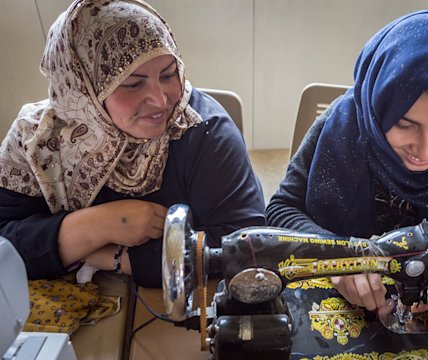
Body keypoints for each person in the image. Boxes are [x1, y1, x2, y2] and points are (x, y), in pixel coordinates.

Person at [0, 0, 265, 288]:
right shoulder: (37, 141)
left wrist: (111, 257)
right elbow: (5, 244)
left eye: (168, 74)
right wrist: (97, 225)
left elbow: (246, 249)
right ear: (83, 88)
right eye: (132, 84)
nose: (160, 100)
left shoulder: (202, 130)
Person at [266, 10, 428, 320]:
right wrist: (338, 259)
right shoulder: (343, 122)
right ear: (377, 108)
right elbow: (280, 211)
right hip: (329, 298)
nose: (424, 150)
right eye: (405, 124)